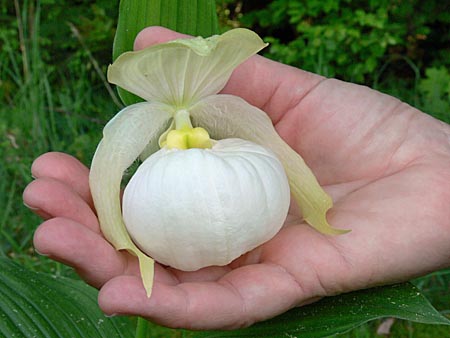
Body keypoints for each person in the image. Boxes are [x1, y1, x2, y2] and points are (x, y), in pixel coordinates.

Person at [23, 26, 450, 330]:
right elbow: (106, 173)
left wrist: (317, 207)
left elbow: (279, 151)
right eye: (186, 138)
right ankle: (147, 259)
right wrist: (124, 240)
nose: (192, 140)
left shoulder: (228, 110)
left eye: (193, 135)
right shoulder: (135, 123)